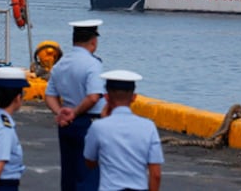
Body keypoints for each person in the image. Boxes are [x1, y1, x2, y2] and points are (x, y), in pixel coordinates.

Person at [46, 19, 106, 191]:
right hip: (88, 122)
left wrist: (61, 113)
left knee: (69, 173)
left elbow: (49, 95)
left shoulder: (60, 64)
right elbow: (93, 97)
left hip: (66, 124)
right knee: (89, 174)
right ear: (93, 41)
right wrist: (75, 112)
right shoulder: (93, 64)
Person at [84, 70, 164, 191]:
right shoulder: (148, 127)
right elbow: (156, 174)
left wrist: (104, 119)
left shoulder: (98, 127)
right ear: (134, 97)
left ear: (106, 97)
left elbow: (90, 162)